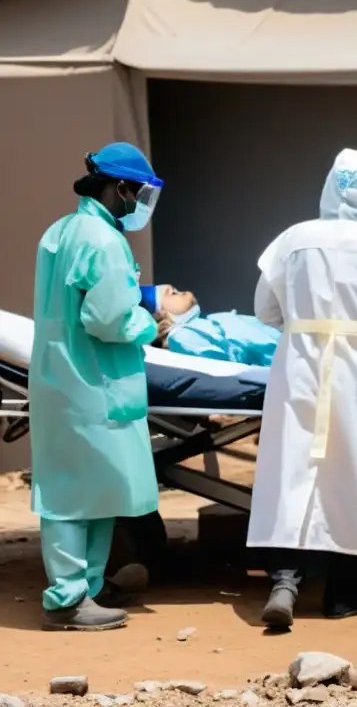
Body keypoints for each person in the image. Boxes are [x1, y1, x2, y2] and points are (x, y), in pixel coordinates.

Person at [246, 149, 357, 629]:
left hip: (300, 366)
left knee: (292, 469)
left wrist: (305, 322)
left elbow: (264, 310)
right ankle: (343, 595)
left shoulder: (293, 239)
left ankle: (285, 580)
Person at [29, 142, 165, 631]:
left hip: (63, 379)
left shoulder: (62, 230)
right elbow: (107, 319)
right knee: (72, 497)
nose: (141, 204)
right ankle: (67, 598)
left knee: (93, 490)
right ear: (120, 187)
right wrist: (154, 322)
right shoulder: (104, 241)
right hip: (90, 382)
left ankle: (86, 586)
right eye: (140, 194)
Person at [140, 284, 281, 366]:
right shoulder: (182, 336)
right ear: (159, 314)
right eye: (172, 294)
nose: (178, 291)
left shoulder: (203, 323)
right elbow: (226, 364)